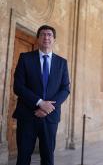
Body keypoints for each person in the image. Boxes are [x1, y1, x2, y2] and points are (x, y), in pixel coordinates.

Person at [13, 25, 70, 165]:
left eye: (49, 35)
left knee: (48, 158)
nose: (46, 37)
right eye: (43, 34)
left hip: (50, 117)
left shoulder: (62, 63)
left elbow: (65, 89)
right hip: (27, 115)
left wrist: (48, 107)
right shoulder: (25, 58)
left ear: (54, 39)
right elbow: (18, 87)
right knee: (23, 157)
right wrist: (39, 103)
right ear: (38, 38)